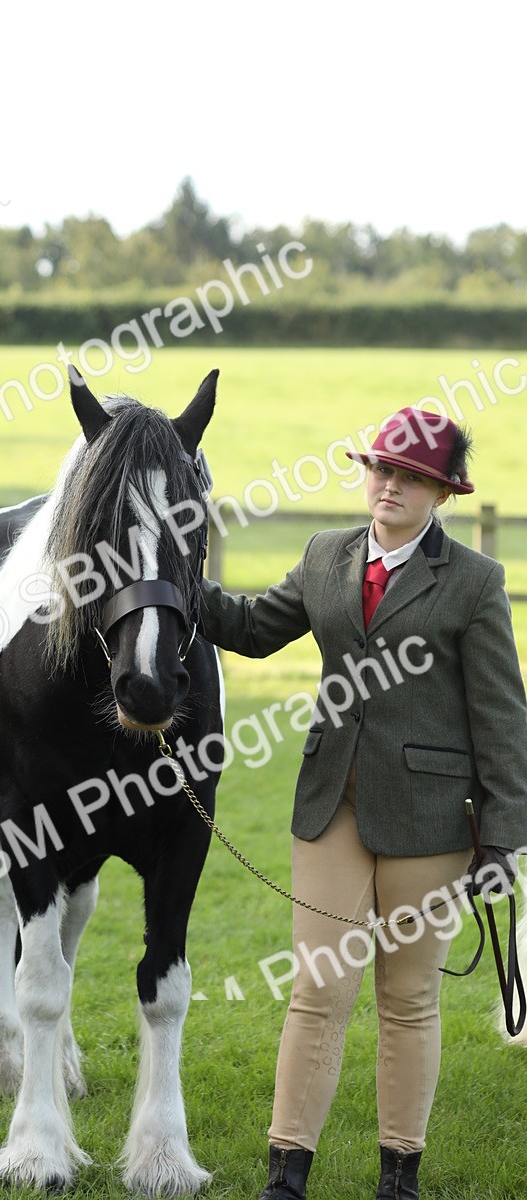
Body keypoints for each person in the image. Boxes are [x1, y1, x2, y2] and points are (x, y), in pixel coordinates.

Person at [199, 407, 527, 1199]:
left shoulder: (477, 584)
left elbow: (502, 716)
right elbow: (250, 628)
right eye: (381, 469)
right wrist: (171, 582)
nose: (389, 485)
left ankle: (399, 1175)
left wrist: (504, 839)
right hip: (330, 808)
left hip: (433, 822)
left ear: (443, 493)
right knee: (318, 988)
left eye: (411, 476)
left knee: (408, 998)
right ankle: (287, 1174)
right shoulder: (325, 555)